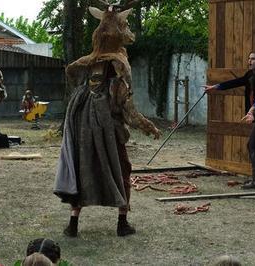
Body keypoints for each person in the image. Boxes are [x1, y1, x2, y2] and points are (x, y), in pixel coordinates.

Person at [54, 5, 161, 238]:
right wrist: (148, 126)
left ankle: (73, 224)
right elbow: (128, 110)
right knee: (123, 170)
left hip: (83, 131)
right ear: (117, 32)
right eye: (126, 26)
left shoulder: (88, 64)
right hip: (106, 130)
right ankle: (122, 223)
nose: (129, 30)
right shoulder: (116, 68)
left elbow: (72, 76)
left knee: (84, 171)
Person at [203, 52, 255, 189]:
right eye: (249, 58)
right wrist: (215, 87)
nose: (249, 61)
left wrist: (253, 109)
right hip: (254, 113)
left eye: (253, 59)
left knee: (252, 144)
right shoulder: (250, 75)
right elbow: (235, 82)